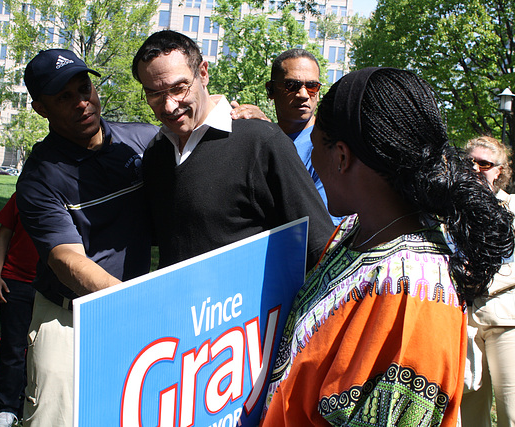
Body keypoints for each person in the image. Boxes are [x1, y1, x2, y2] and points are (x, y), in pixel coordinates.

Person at [259, 68, 514, 426]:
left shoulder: (415, 291)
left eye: (315, 146)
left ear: (342, 156)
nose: (312, 161)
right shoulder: (354, 231)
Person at [16, 48, 158, 427]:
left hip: (136, 309)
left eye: (85, 88)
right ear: (40, 108)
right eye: (64, 97)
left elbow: (200, 141)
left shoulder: (143, 142)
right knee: (54, 419)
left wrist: (235, 116)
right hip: (67, 317)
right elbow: (66, 260)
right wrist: (131, 302)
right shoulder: (39, 178)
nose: (82, 102)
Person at [132, 30, 334, 270]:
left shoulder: (262, 142)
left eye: (179, 88)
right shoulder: (156, 154)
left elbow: (319, 248)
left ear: (203, 73)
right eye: (154, 94)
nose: (169, 105)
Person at [231, 49, 341, 225]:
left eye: (312, 87)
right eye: (292, 85)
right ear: (271, 90)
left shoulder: (329, 147)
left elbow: (320, 226)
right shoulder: (259, 137)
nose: (304, 94)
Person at [461, 136, 515, 427]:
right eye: (470, 162)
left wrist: (479, 277)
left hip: (507, 320)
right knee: (468, 415)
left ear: (500, 171)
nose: (476, 168)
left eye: (485, 163)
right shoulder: (450, 212)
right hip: (464, 323)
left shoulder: (513, 208)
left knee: (511, 412)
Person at [0, 193, 38, 427]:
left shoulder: (71, 194)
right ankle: (7, 406)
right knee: (13, 347)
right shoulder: (21, 196)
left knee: (43, 349)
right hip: (15, 281)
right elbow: (4, 234)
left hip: (53, 286)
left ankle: (36, 400)